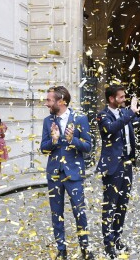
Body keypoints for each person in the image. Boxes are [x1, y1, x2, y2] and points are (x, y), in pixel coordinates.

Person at [96, 84, 140, 259]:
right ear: (111, 99)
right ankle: (108, 243)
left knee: (122, 205)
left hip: (127, 165)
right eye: (121, 97)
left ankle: (117, 238)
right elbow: (112, 129)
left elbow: (138, 122)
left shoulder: (124, 114)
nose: (124, 99)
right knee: (110, 205)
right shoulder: (102, 116)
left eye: (124, 97)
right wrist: (130, 112)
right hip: (112, 167)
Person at [40, 86, 94, 260]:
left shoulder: (80, 118)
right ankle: (61, 250)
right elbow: (43, 148)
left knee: (80, 212)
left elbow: (88, 147)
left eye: (49, 100)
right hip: (54, 173)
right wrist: (54, 140)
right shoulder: (48, 121)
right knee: (57, 213)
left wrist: (73, 140)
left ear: (61, 101)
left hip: (74, 173)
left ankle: (85, 249)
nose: (46, 103)